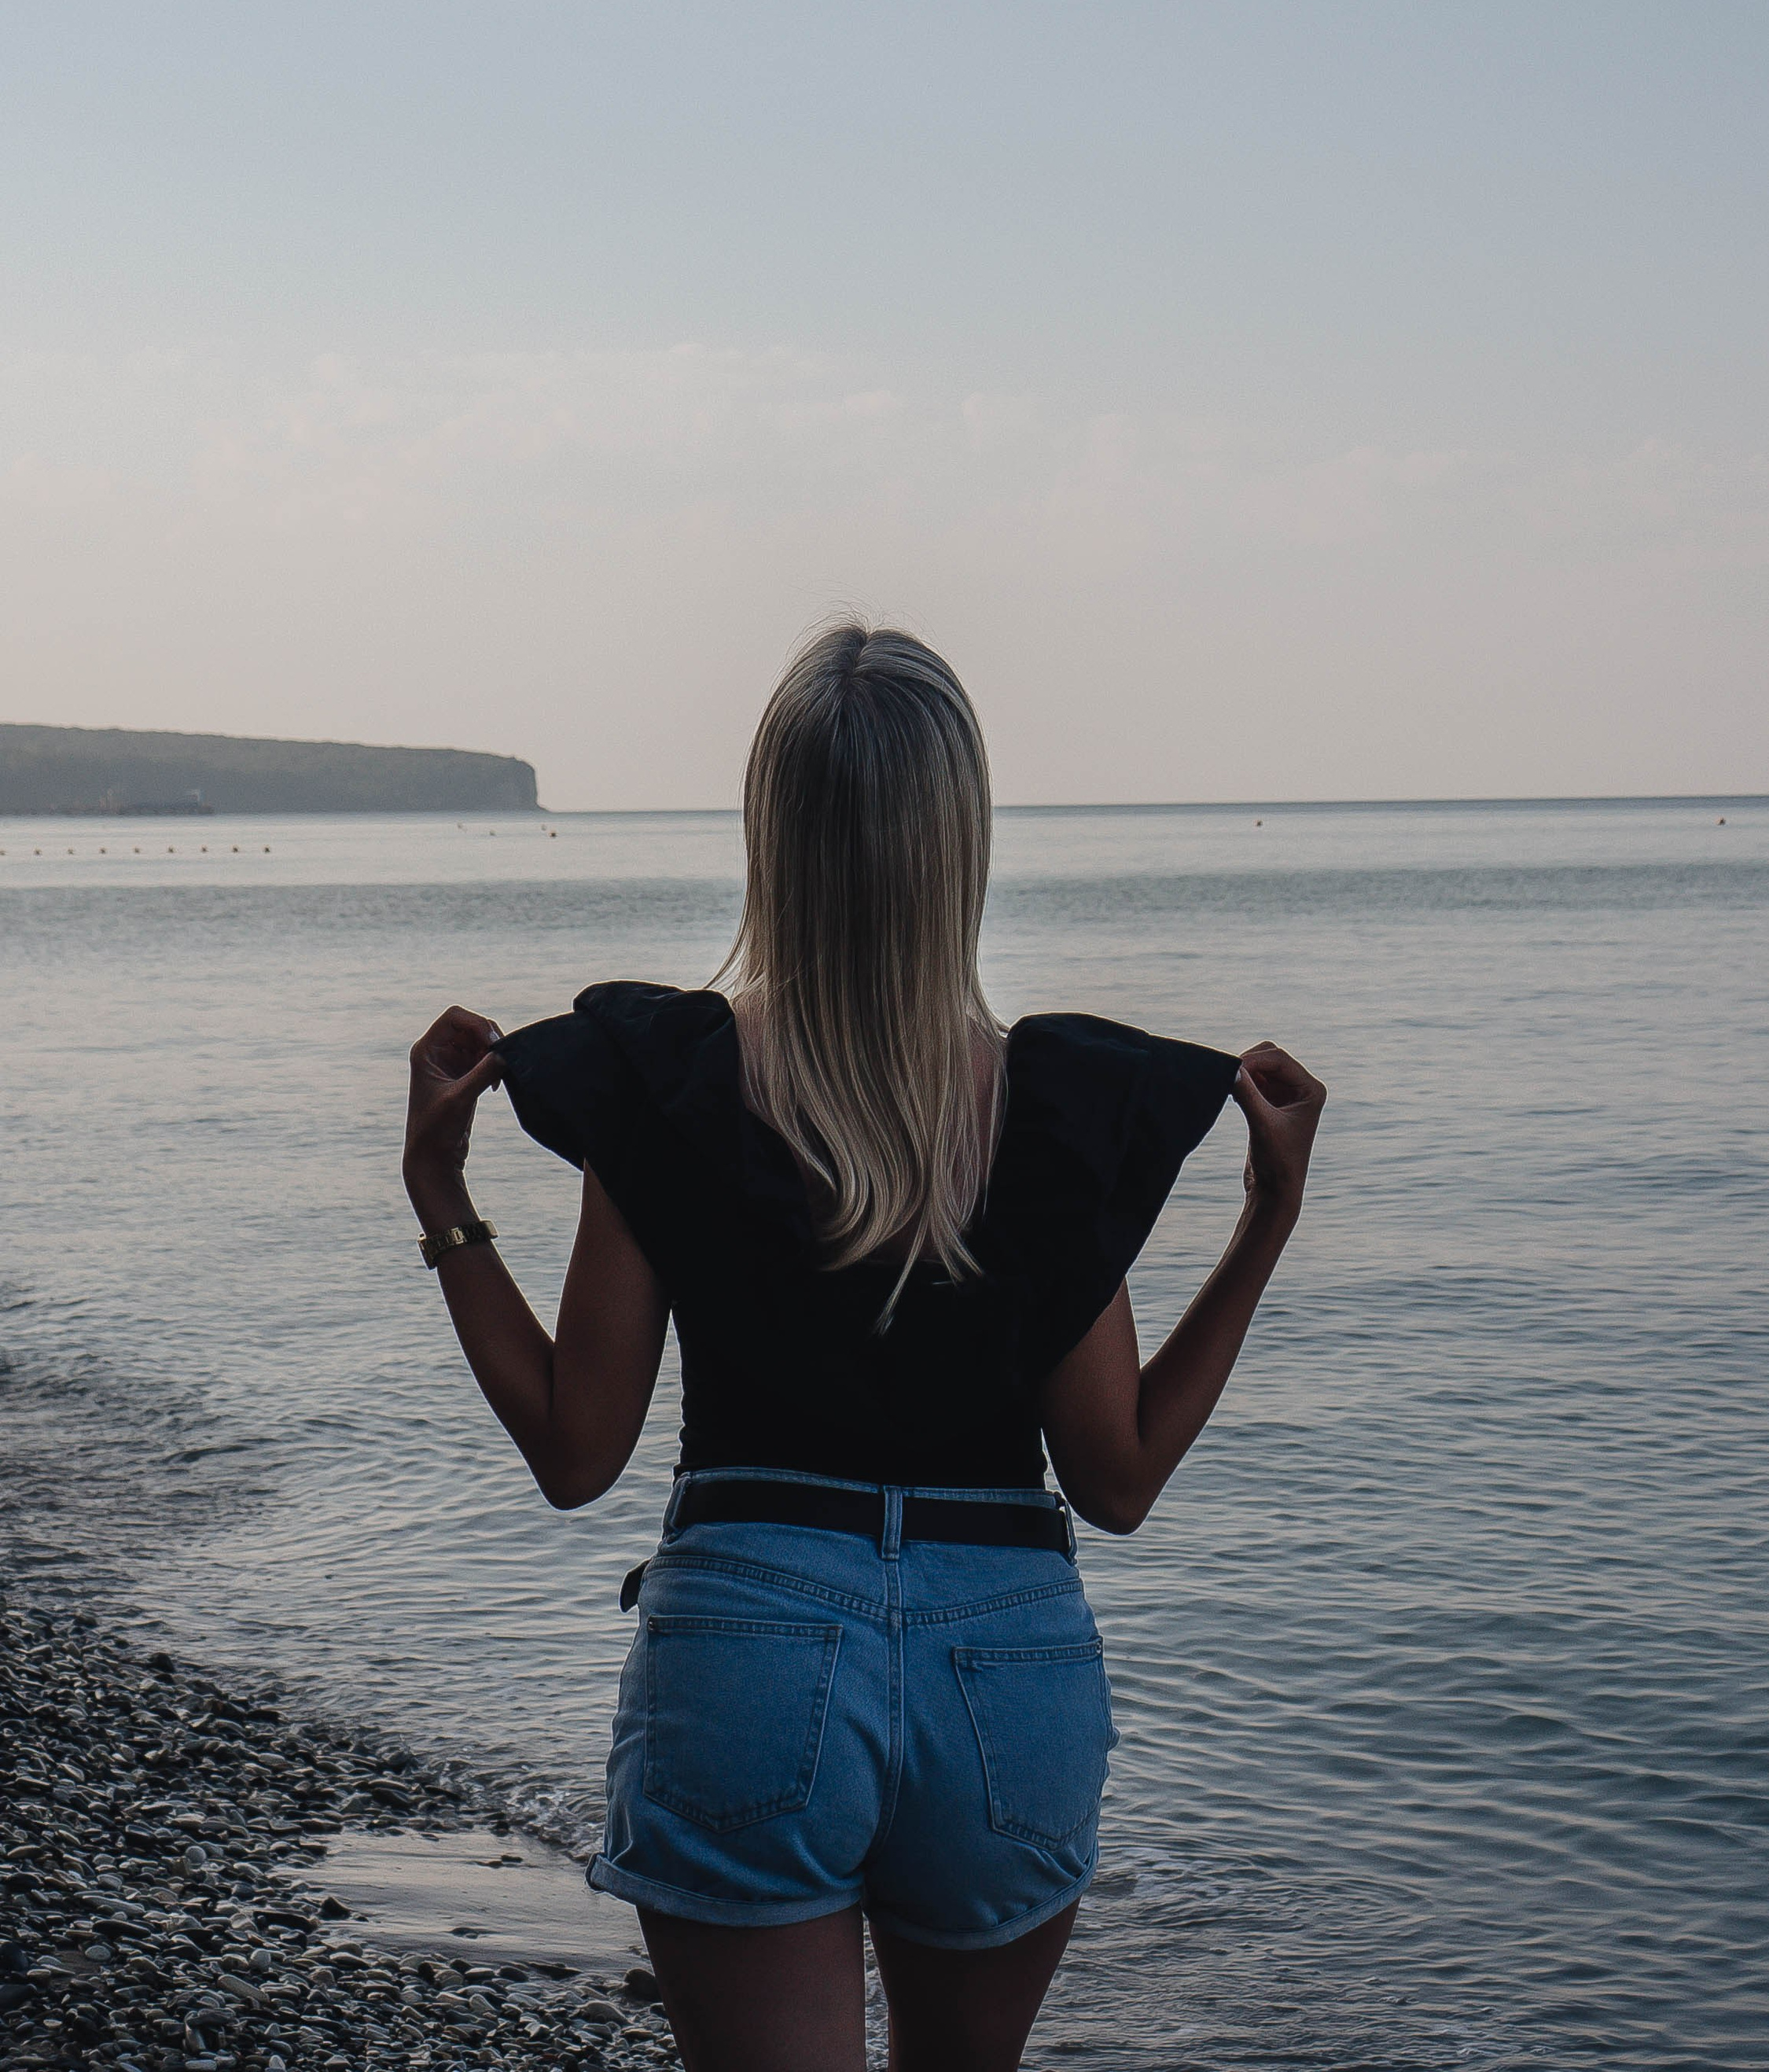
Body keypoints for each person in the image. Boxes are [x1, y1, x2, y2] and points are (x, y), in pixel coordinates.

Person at [403, 626, 1323, 2072]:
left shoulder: (670, 1088)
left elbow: (578, 1455)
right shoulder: (1057, 1114)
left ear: (774, 831)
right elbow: (1118, 1479)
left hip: (750, 1645)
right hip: (1004, 1659)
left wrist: (444, 1199)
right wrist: (1266, 1219)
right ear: (961, 840)